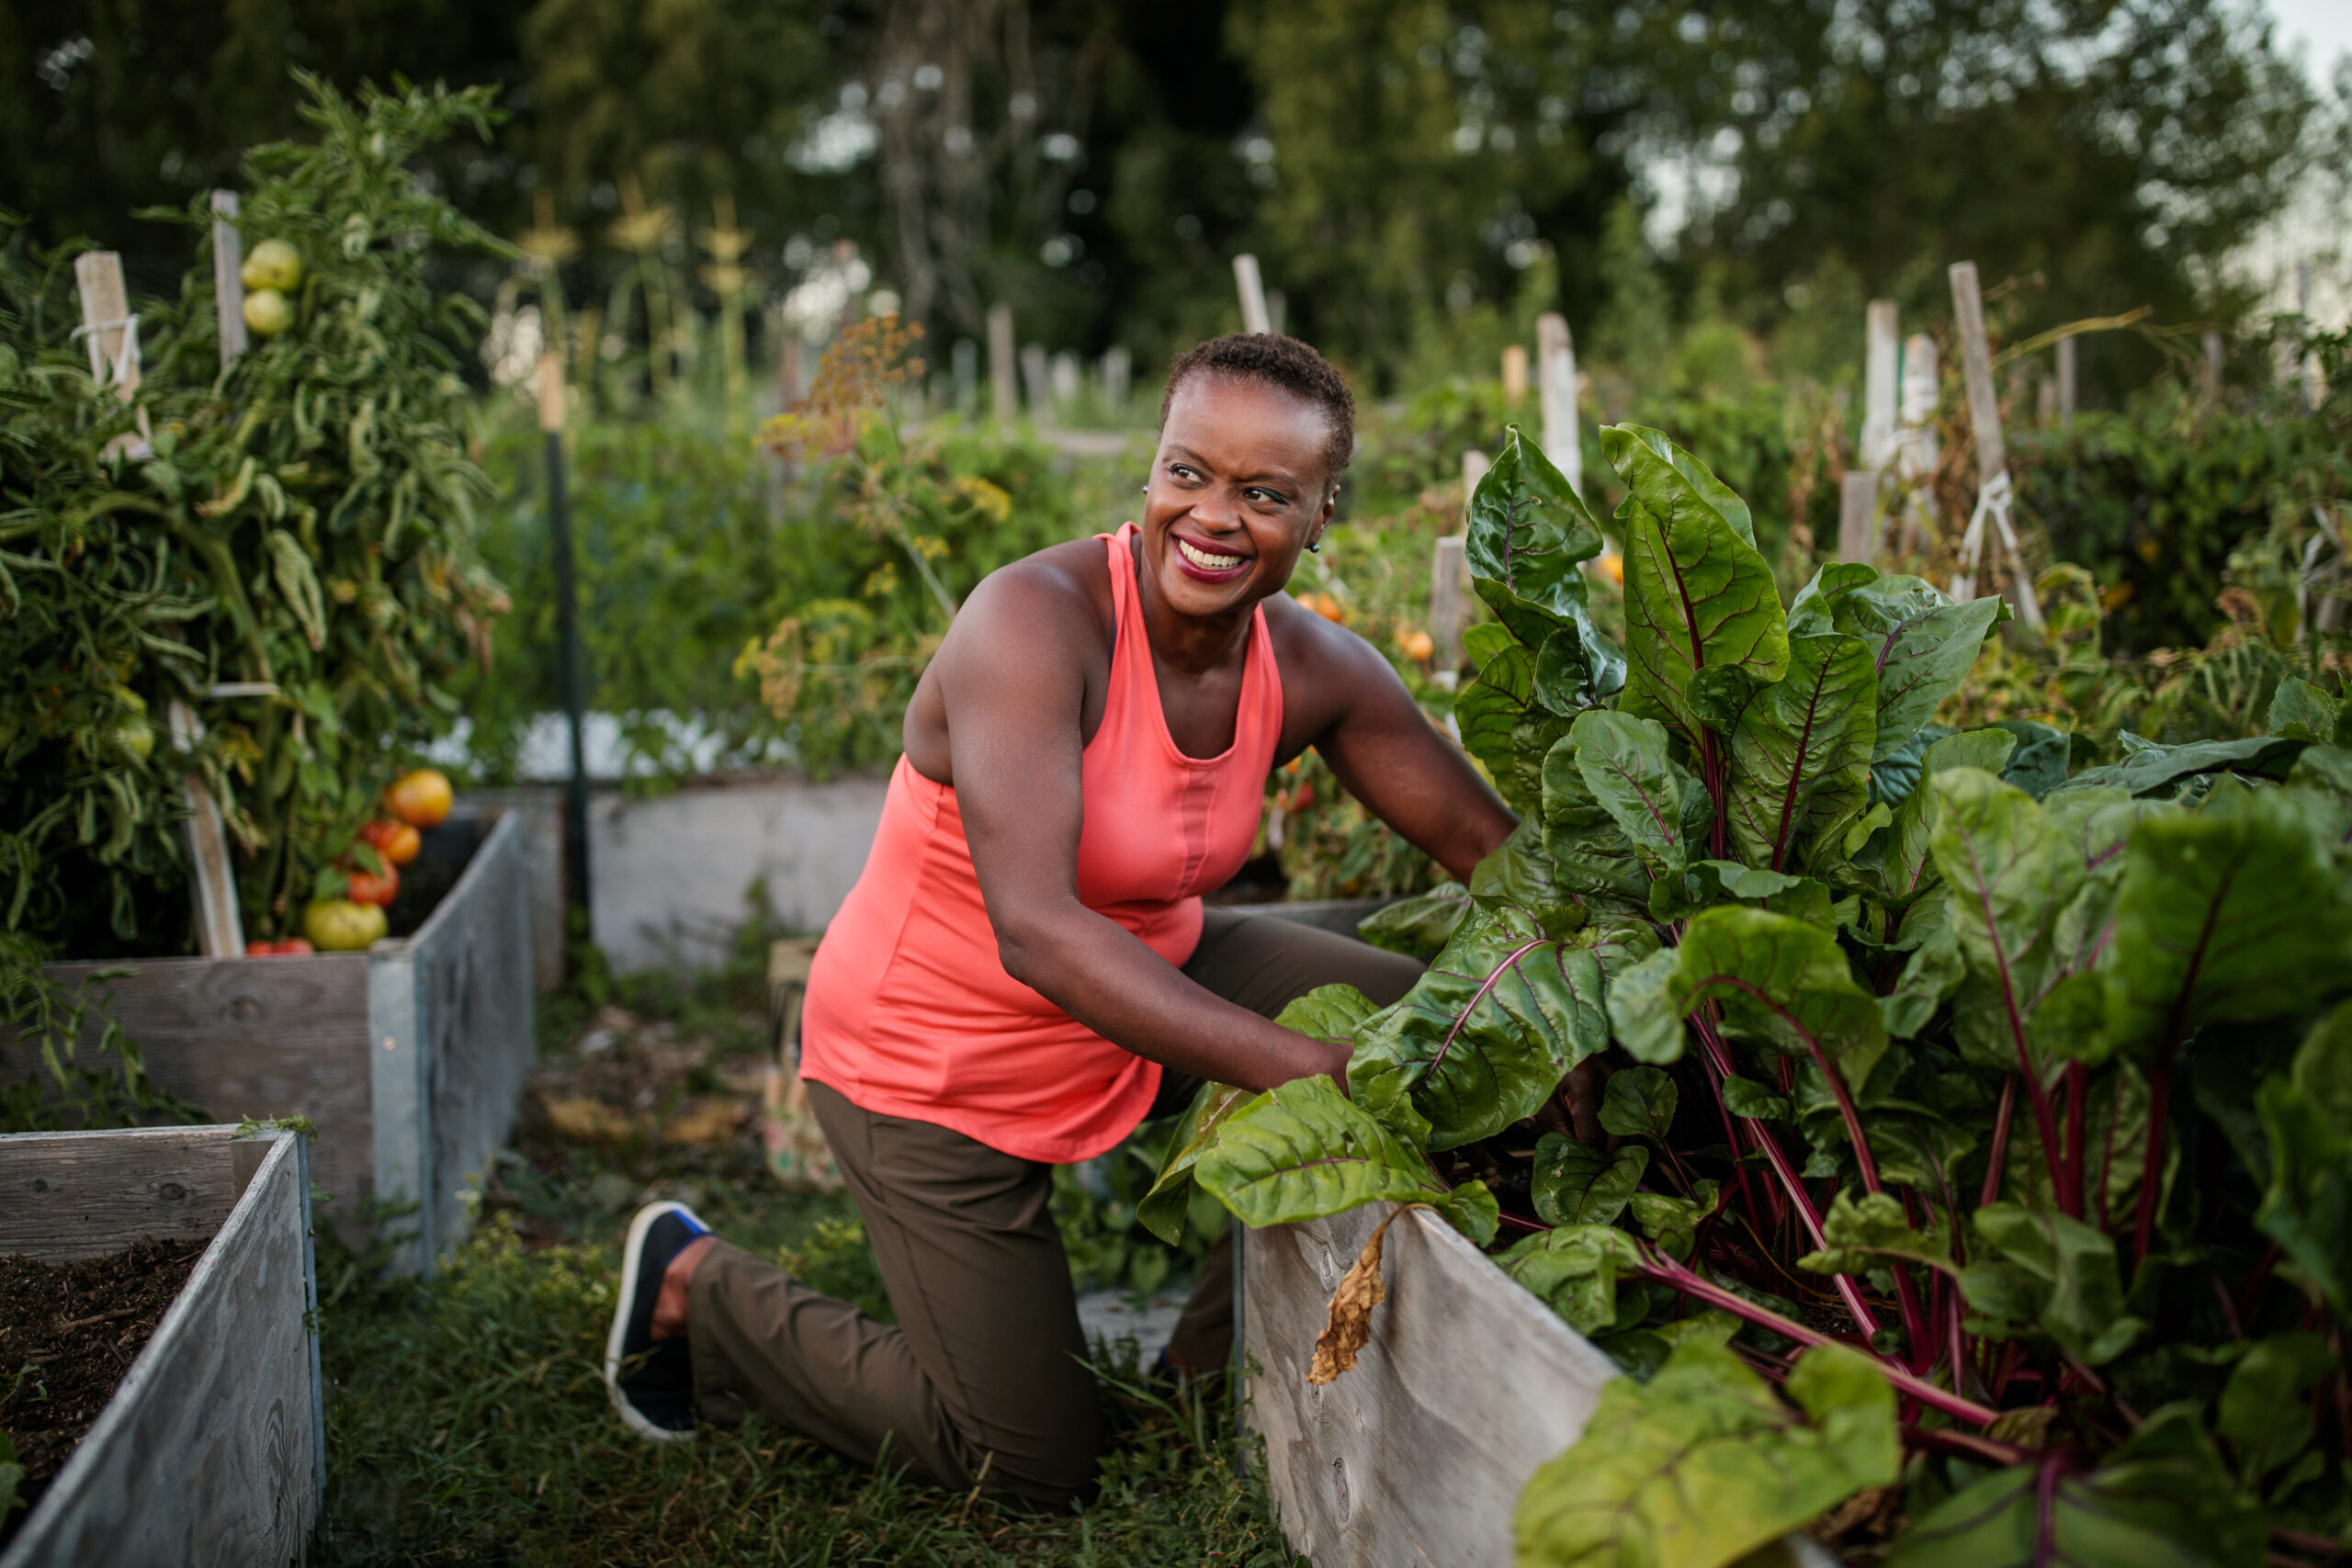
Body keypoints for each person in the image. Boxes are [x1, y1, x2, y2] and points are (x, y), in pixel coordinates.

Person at [602, 332, 1515, 1505]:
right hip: (934, 1054)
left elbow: (1494, 853)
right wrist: (1309, 1068)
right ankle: (698, 1286)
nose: (1214, 517)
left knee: (1436, 1035)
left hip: (1149, 979)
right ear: (1151, 471)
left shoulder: (1314, 666)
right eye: (1188, 472)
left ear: (1322, 514)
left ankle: (1205, 1361)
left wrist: (1581, 990)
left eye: (1265, 493)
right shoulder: (1033, 624)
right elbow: (1032, 929)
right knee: (1027, 1465)